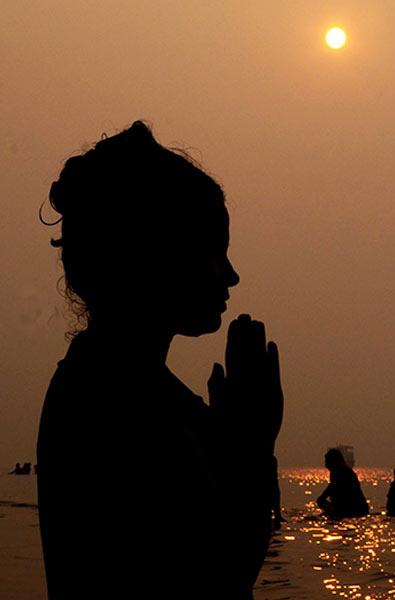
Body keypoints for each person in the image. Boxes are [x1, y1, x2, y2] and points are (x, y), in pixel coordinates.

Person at [37, 121, 283, 599]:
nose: (231, 276)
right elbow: (220, 576)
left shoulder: (113, 385)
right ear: (155, 255)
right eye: (215, 253)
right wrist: (253, 443)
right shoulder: (113, 403)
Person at [316, 448, 369, 519]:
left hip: (350, 510)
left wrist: (321, 498)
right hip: (360, 509)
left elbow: (332, 487)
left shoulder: (339, 471)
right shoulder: (346, 470)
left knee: (321, 501)